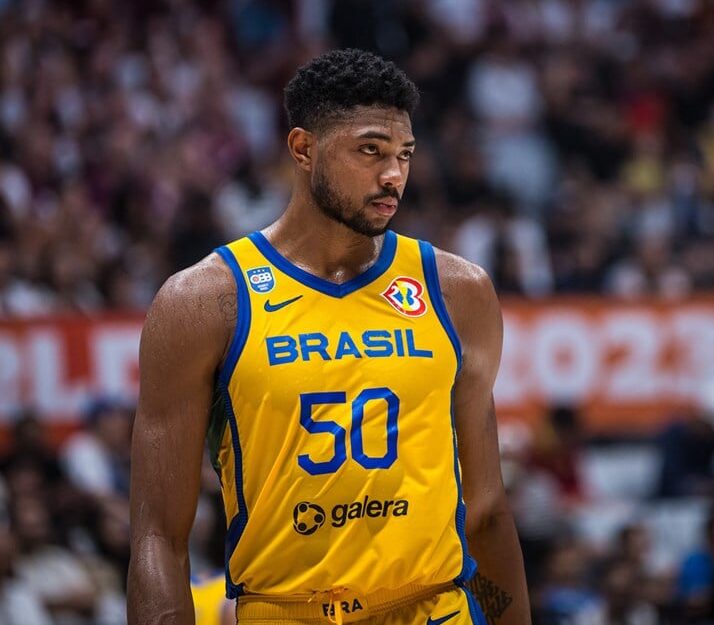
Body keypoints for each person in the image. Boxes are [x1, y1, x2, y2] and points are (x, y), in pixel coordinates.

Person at [127, 49, 530, 625]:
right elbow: (157, 540)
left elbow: (486, 510)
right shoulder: (205, 302)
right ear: (303, 148)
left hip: (434, 607)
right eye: (370, 151)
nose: (393, 175)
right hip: (286, 610)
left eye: (404, 156)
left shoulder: (457, 290)